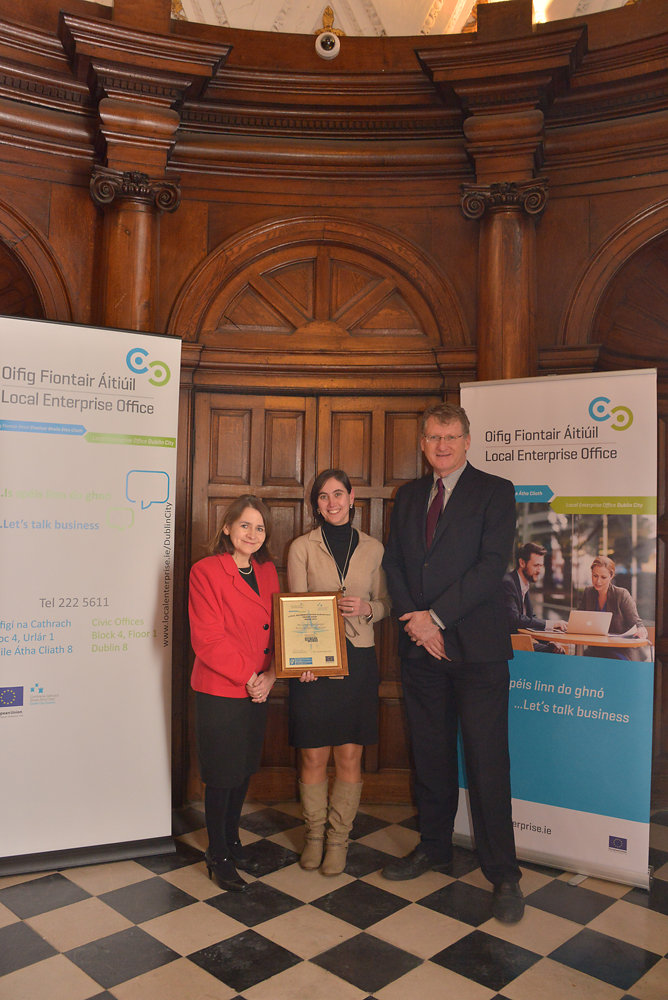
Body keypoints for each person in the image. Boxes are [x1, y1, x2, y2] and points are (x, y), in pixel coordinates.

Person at [381, 402, 524, 924]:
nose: (442, 445)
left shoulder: (495, 491)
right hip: (422, 651)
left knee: (487, 761)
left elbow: (491, 567)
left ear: (467, 441)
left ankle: (503, 873)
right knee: (431, 754)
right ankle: (434, 846)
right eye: (433, 437)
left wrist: (436, 618)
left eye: (451, 436)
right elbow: (395, 564)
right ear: (423, 443)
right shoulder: (409, 495)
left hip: (477, 650)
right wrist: (417, 624)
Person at [287, 469, 390, 876]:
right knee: (313, 754)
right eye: (323, 496)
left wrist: (368, 608)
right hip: (314, 662)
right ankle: (314, 836)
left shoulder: (374, 548)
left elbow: (386, 603)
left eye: (338, 494)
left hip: (359, 659)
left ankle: (338, 840)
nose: (332, 503)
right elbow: (294, 609)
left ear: (351, 498)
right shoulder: (301, 547)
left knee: (349, 753)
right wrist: (304, 661)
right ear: (316, 504)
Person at [189, 495, 278, 891]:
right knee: (222, 775)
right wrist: (251, 676)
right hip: (222, 689)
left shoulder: (268, 571)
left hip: (259, 689)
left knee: (242, 770)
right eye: (245, 525)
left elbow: (278, 629)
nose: (252, 534)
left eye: (260, 528)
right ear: (227, 527)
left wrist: (271, 676)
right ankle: (218, 853)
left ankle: (232, 840)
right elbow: (208, 639)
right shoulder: (205, 571)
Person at [578, 555, 648, 659]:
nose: (598, 581)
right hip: (596, 649)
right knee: (578, 660)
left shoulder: (621, 595)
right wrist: (566, 625)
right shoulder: (588, 592)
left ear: (611, 576)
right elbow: (578, 619)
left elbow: (636, 623)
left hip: (620, 650)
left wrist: (641, 629)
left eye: (603, 577)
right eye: (595, 576)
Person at [503, 541, 567, 653]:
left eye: (541, 566)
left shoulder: (523, 584)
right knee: (557, 652)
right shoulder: (508, 583)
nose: (539, 570)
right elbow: (516, 619)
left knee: (558, 649)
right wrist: (553, 624)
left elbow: (530, 618)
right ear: (522, 563)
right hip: (505, 644)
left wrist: (548, 642)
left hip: (518, 641)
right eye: (536, 565)